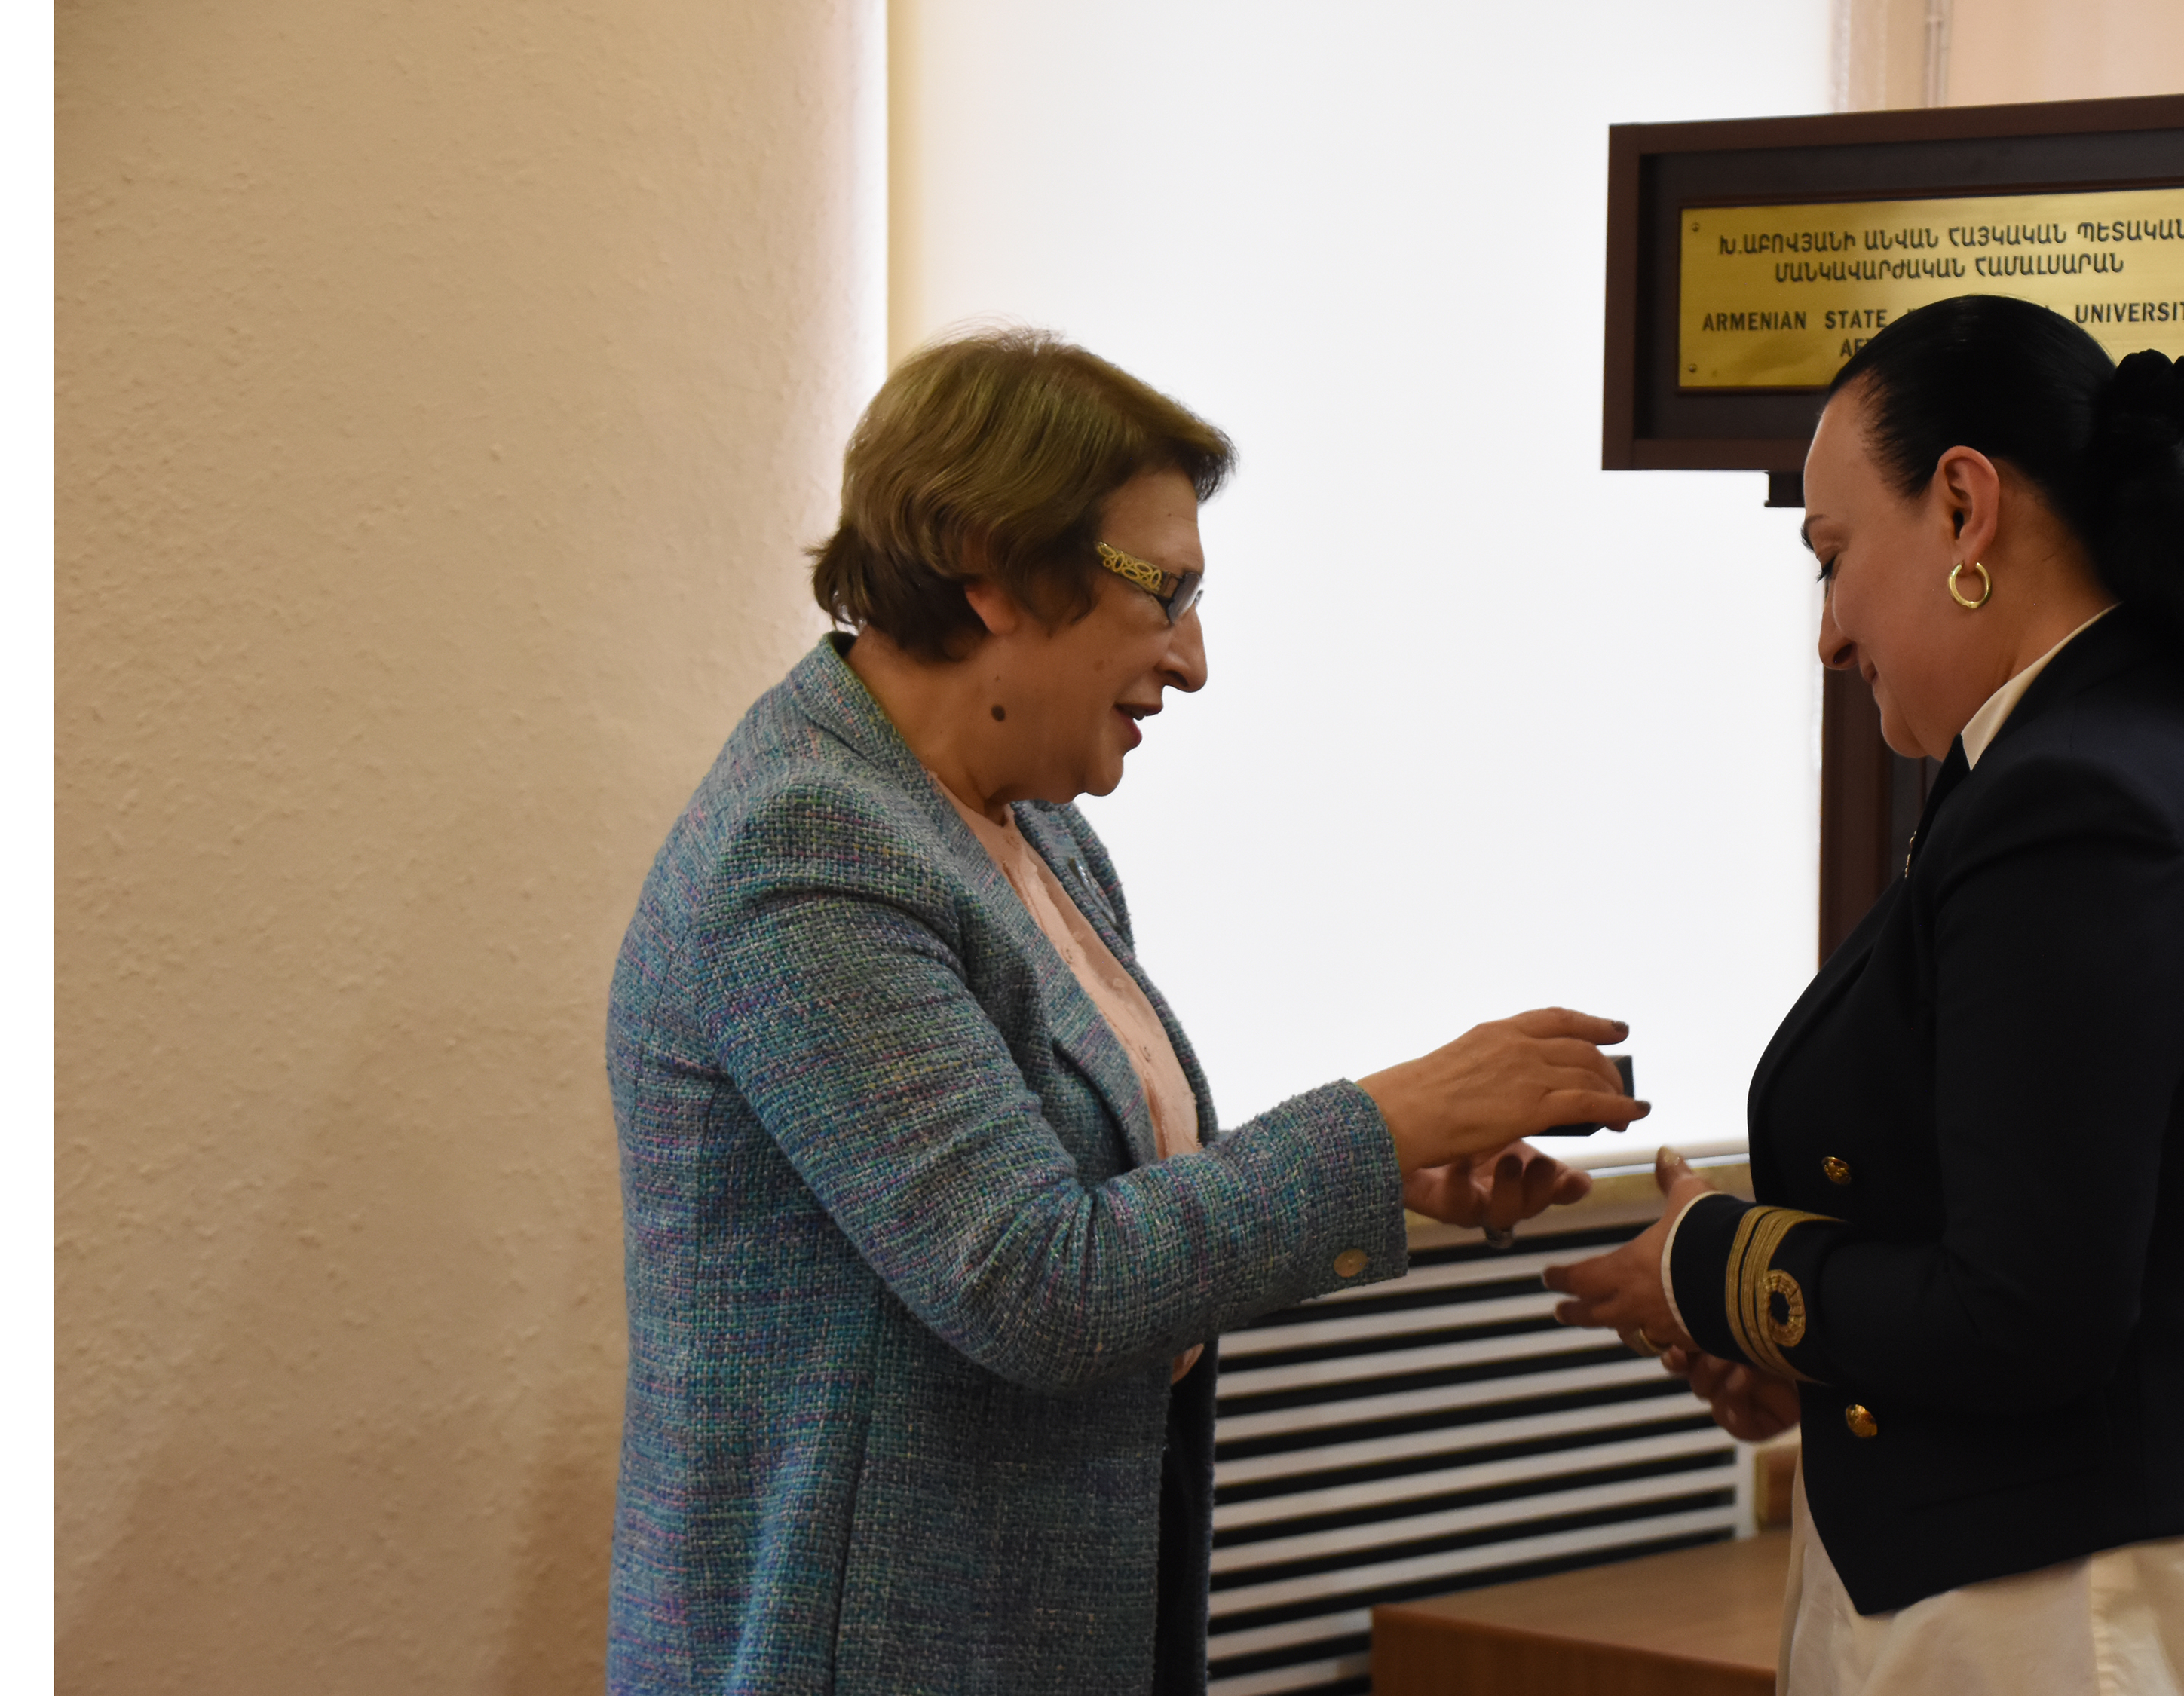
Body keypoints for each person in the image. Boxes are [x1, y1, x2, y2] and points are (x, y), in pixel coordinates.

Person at [606, 329, 1646, 1695]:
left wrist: (1392, 1166)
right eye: (1168, 593)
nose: (1194, 659)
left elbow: (1072, 1186)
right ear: (990, 569)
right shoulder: (809, 850)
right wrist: (1380, 1120)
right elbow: (1034, 1282)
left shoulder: (1032, 826)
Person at [1547, 294, 2184, 1694]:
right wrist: (1800, 1343)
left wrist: (1708, 1263)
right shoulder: (2123, 745)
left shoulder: (2078, 795)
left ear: (1964, 507)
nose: (1828, 634)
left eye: (1832, 557)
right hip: (2091, 1582)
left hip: (2096, 1616)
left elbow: (2031, 1313)